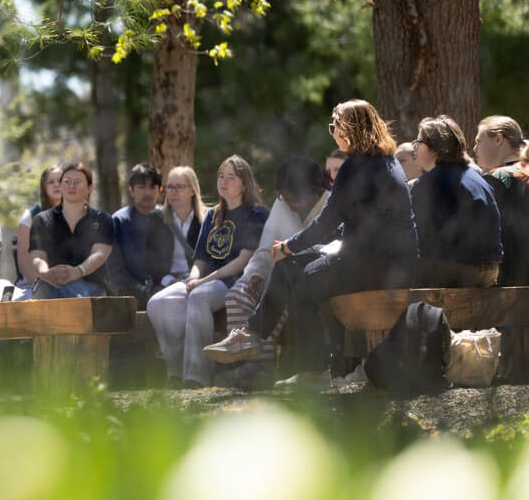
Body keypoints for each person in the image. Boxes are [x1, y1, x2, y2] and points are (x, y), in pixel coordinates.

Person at [210, 100, 418, 387]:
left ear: (351, 129)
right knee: (289, 266)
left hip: (376, 265)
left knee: (304, 279)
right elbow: (348, 222)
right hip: (389, 260)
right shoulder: (387, 160)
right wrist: (295, 250)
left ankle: (313, 369)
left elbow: (325, 222)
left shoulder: (355, 166)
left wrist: (286, 247)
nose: (331, 132)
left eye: (335, 126)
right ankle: (251, 335)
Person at [204, 158, 330, 386]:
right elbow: (264, 249)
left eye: (297, 198)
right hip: (275, 275)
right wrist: (255, 275)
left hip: (311, 278)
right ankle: (244, 361)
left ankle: (258, 362)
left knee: (290, 280)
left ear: (315, 192)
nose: (292, 204)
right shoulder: (283, 204)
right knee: (237, 296)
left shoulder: (330, 204)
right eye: (285, 196)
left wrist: (288, 253)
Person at [146, 155, 267, 388]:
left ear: (244, 183)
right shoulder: (213, 215)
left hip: (232, 282)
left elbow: (243, 261)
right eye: (221, 176)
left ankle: (196, 378)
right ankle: (174, 373)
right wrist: (193, 278)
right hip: (205, 280)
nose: (223, 181)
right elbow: (200, 258)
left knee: (199, 297)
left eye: (231, 177)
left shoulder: (257, 214)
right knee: (157, 303)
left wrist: (204, 282)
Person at [410, 116, 502, 288]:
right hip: (489, 270)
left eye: (419, 141)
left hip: (456, 270)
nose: (414, 146)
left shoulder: (429, 183)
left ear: (436, 147)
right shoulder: (478, 178)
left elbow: (416, 236)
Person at [28, 162, 114, 299]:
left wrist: (78, 271)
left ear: (89, 188)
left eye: (77, 182)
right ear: (61, 186)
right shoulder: (42, 220)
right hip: (51, 284)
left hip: (92, 286)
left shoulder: (102, 220)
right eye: (67, 181)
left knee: (72, 288)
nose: (71, 186)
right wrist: (45, 273)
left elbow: (100, 253)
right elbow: (37, 255)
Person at [107, 163, 174, 307]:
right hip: (131, 295)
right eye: (141, 187)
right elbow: (115, 270)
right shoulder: (119, 221)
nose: (147, 193)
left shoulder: (169, 218)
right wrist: (141, 288)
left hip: (168, 288)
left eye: (152, 187)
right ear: (131, 191)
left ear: (160, 190)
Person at [480, 116, 529, 286]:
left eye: (479, 141)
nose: (474, 148)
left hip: (509, 280)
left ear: (498, 139)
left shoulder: (495, 178)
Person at [15, 165, 63, 296]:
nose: (56, 185)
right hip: (34, 283)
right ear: (44, 187)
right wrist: (40, 285)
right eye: (51, 182)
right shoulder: (30, 216)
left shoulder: (79, 214)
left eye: (60, 180)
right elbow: (24, 261)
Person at [158, 166, 206, 287]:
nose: (173, 192)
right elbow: (149, 260)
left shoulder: (207, 221)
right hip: (165, 282)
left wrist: (195, 279)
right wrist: (166, 279)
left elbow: (210, 259)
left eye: (180, 187)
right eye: (169, 187)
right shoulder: (156, 219)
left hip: (196, 281)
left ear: (192, 190)